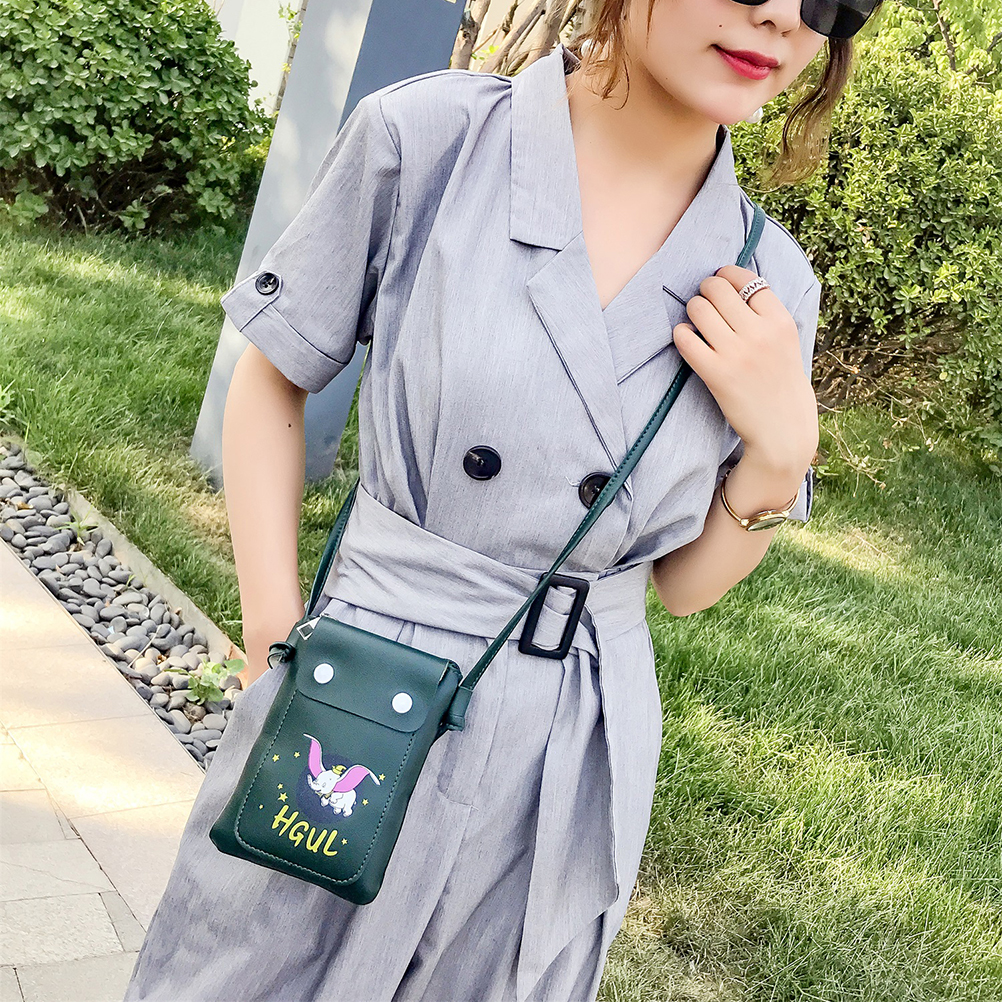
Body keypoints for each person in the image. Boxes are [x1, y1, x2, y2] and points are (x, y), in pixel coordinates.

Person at [123, 0, 884, 999]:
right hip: (362, 685)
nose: (780, 15)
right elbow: (275, 373)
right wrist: (276, 642)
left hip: (567, 746)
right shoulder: (431, 141)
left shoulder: (769, 282)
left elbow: (685, 587)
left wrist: (783, 453)